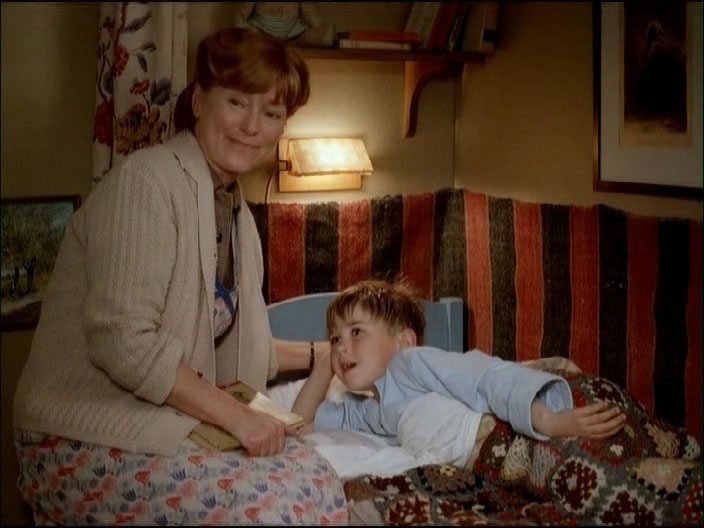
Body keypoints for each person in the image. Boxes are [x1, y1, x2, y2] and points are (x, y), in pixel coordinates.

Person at [12, 28, 347, 525]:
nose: (251, 126)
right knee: (270, 505)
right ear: (198, 101)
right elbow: (124, 342)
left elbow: (242, 344)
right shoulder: (147, 181)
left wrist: (326, 353)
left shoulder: (231, 209)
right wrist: (237, 417)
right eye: (237, 102)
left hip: (157, 423)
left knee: (317, 480)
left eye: (271, 113)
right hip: (76, 434)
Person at [293, 279, 626, 446]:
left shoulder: (410, 364)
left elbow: (484, 376)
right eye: (335, 338)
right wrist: (325, 362)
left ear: (404, 342)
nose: (342, 346)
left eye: (356, 332)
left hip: (539, 403)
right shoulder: (371, 413)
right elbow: (298, 423)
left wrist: (548, 420)